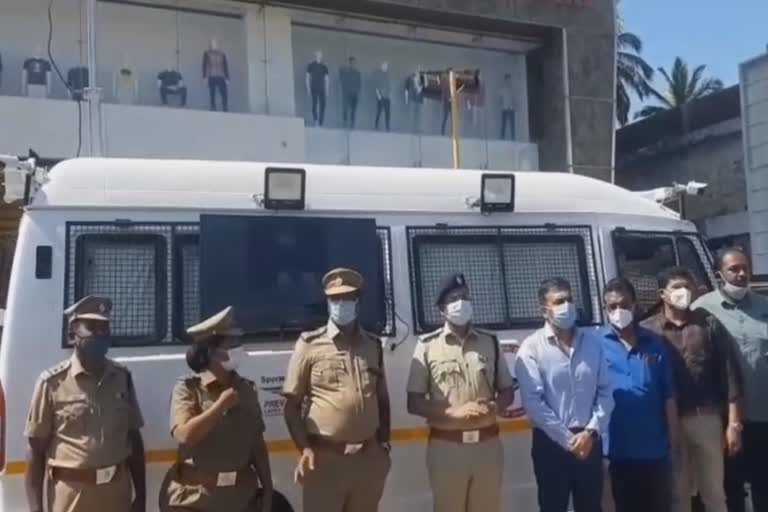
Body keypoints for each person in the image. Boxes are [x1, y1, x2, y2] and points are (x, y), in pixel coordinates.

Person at [282, 268, 391, 512]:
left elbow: (382, 400)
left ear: (357, 302)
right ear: (328, 303)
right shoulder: (309, 344)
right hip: (326, 461)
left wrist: (384, 445)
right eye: (335, 299)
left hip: (367, 460)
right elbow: (291, 406)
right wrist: (306, 449)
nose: (341, 304)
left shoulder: (373, 345)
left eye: (347, 298)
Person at [24, 296, 146, 512]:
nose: (100, 334)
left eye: (104, 328)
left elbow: (134, 438)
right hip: (72, 496)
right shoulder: (52, 383)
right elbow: (35, 451)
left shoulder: (122, 378)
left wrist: (141, 497)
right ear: (73, 336)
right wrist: (36, 509)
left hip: (116, 493)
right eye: (92, 328)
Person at [406, 273, 516, 512]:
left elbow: (507, 390)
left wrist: (495, 407)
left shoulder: (490, 342)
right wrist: (454, 413)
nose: (461, 303)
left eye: (465, 296)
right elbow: (413, 403)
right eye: (454, 298)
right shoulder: (427, 346)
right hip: (447, 449)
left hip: (487, 446)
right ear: (441, 310)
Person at [640, 266, 743, 512]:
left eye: (687, 286)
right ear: (662, 294)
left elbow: (729, 374)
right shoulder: (647, 331)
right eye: (676, 287)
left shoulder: (707, 324)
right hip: (666, 423)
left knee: (715, 493)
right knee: (678, 494)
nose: (683, 292)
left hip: (705, 418)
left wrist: (734, 424)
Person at [159, 306, 273, 512]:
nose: (238, 348)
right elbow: (185, 435)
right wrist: (219, 407)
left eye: (238, 342)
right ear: (212, 350)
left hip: (239, 498)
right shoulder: (188, 388)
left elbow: (257, 445)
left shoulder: (246, 389)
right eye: (231, 343)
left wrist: (268, 490)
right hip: (196, 499)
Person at [516, 277, 614, 512]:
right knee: (553, 506)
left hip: (589, 442)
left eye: (569, 299)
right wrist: (568, 440)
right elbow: (533, 403)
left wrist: (591, 432)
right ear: (544, 310)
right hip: (551, 444)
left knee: (591, 507)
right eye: (559, 301)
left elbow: (605, 393)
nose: (566, 306)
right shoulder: (531, 348)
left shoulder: (593, 344)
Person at [693, 247, 768, 512]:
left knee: (763, 484)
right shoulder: (701, 309)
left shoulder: (764, 306)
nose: (741, 274)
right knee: (730, 484)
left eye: (745, 267)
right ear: (718, 274)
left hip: (763, 414)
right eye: (733, 269)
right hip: (725, 417)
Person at [600, 278, 678, 512]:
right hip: (617, 452)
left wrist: (674, 442)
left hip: (655, 451)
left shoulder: (655, 343)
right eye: (612, 307)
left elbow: (669, 396)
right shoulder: (595, 345)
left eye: (623, 304)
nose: (618, 311)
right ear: (605, 310)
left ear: (634, 305)